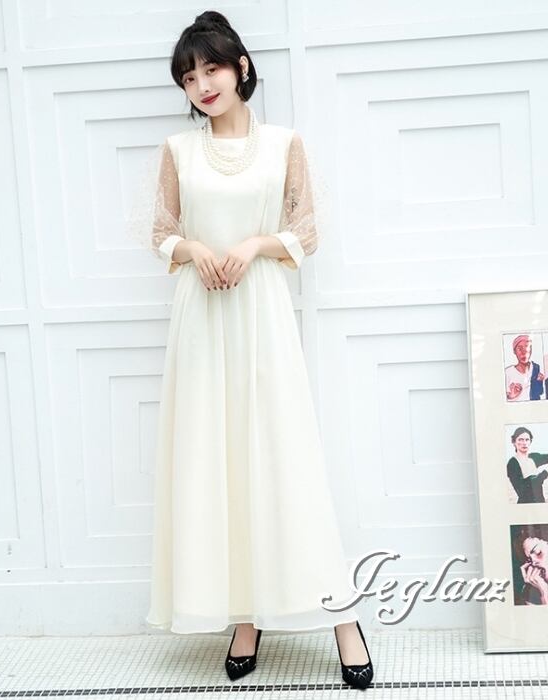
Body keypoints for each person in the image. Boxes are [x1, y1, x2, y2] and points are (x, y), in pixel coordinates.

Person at [127, 10, 373, 690]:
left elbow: (305, 231)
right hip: (201, 318)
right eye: (188, 77)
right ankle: (244, 619)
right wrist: (193, 248)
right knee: (216, 463)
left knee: (285, 459)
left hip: (262, 313)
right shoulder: (179, 151)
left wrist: (254, 244)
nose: (201, 85)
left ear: (240, 68)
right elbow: (159, 232)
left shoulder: (284, 144)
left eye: (210, 69)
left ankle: (343, 617)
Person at [511, 525, 548, 605]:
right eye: (529, 560)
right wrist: (544, 593)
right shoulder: (530, 594)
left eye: (538, 553)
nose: (533, 562)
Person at [506, 427, 548, 503]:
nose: (524, 443)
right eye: (520, 440)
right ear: (514, 442)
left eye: (527, 440)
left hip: (540, 503)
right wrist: (545, 474)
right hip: (525, 505)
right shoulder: (512, 463)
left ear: (530, 442)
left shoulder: (534, 457)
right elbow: (522, 488)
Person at [504, 335, 544, 401]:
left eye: (527, 348)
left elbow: (540, 392)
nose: (524, 352)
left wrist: (539, 382)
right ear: (514, 351)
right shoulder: (507, 372)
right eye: (520, 349)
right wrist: (512, 395)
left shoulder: (536, 368)